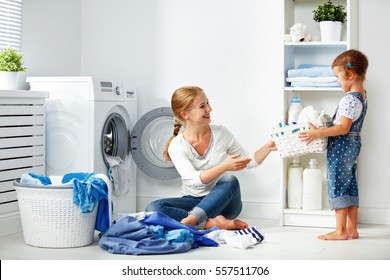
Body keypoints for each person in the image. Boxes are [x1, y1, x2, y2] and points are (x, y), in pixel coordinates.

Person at [145, 86, 276, 230]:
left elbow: (248, 161)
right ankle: (210, 223)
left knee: (229, 180)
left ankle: (193, 220)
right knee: (153, 208)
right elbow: (195, 181)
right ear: (185, 114)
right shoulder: (177, 145)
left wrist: (268, 147)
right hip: (192, 201)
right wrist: (224, 166)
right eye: (203, 106)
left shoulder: (221, 133)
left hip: (225, 204)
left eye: (208, 103)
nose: (209, 109)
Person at [299, 49, 369, 240]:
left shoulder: (348, 99)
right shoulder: (361, 95)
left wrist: (318, 133)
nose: (337, 81)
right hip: (353, 145)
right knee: (350, 184)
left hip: (342, 146)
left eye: (338, 76)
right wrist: (324, 126)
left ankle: (340, 231)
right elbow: (346, 125)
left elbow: (343, 128)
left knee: (337, 184)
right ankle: (352, 229)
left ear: (350, 74)